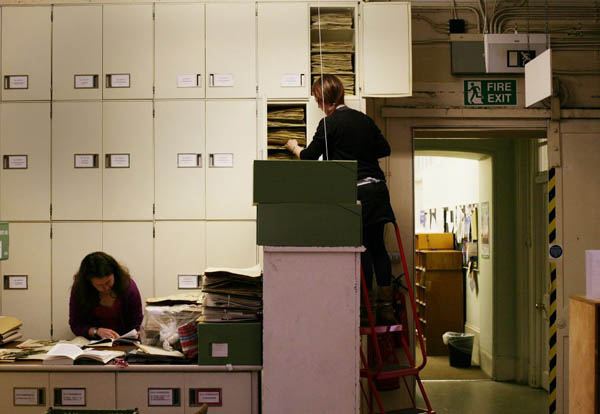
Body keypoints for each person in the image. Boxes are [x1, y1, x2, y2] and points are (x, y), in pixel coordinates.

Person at [285, 74, 396, 325]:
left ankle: (365, 311)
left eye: (317, 100)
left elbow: (310, 157)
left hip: (356, 193)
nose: (316, 105)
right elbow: (384, 149)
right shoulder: (364, 120)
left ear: (326, 100)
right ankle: (386, 308)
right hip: (378, 191)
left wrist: (294, 147)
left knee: (363, 248)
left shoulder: (329, 124)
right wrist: (360, 151)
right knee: (378, 246)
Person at [69, 251, 143, 339]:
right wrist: (97, 331)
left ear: (115, 274)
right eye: (99, 285)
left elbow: (136, 322)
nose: (105, 288)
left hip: (124, 342)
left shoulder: (128, 287)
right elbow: (76, 324)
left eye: (108, 282)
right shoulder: (80, 289)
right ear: (89, 282)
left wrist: (137, 334)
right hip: (92, 344)